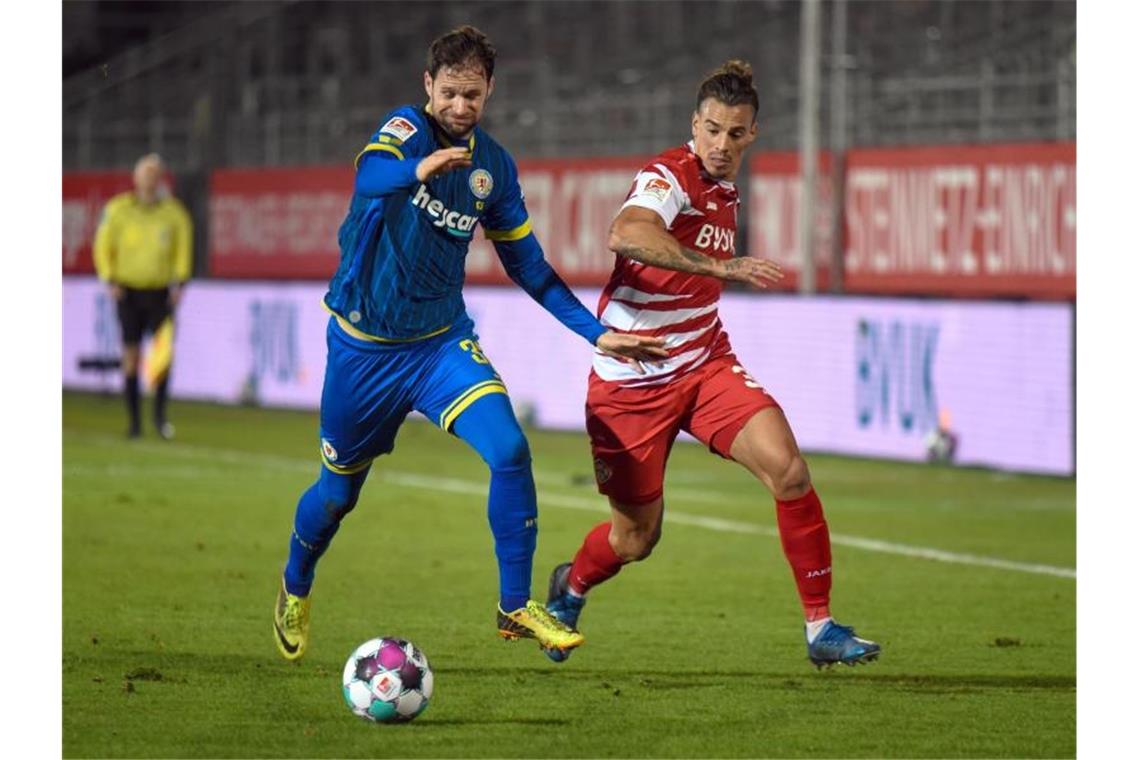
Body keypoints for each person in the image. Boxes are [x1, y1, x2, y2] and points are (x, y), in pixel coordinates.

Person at [272, 26, 667, 663]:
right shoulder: (404, 130)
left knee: (510, 449)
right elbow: (370, 176)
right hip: (364, 349)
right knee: (338, 495)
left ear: (489, 93)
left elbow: (529, 267)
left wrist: (599, 334)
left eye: (473, 95)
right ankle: (296, 582)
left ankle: (515, 605)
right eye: (450, 92)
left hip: (438, 346)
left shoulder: (495, 168)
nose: (461, 107)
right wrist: (417, 169)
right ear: (428, 86)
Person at [544, 61, 881, 669]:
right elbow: (625, 233)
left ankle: (821, 628)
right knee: (636, 539)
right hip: (632, 384)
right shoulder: (667, 175)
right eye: (711, 130)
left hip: (703, 364)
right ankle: (570, 586)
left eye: (734, 133)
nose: (720, 145)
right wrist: (718, 267)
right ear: (693, 125)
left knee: (790, 472)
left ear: (752, 134)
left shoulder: (726, 189)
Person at [93, 153, 192, 440]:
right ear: (136, 178)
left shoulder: (174, 213)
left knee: (161, 357)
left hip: (161, 292)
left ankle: (160, 419)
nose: (149, 179)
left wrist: (180, 283)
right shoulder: (118, 210)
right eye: (145, 173)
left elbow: (183, 250)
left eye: (154, 174)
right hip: (128, 290)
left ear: (161, 178)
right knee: (131, 355)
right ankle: (134, 423)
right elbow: (103, 245)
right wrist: (109, 278)